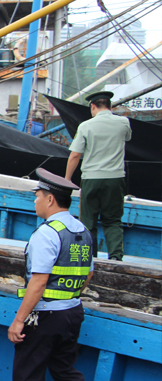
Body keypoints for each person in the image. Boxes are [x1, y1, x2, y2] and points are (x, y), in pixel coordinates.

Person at [8, 168, 97, 381]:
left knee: (27, 374)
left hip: (46, 314)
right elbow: (89, 272)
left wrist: (18, 321)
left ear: (49, 200)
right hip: (72, 312)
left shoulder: (47, 233)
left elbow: (38, 282)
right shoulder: (83, 230)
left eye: (37, 197)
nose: (34, 201)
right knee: (64, 368)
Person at [65, 91, 131, 261]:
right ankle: (116, 257)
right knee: (113, 219)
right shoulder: (123, 123)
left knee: (88, 221)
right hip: (115, 178)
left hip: (91, 178)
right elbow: (128, 138)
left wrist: (67, 179)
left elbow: (75, 155)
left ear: (93, 106)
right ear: (110, 106)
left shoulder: (86, 126)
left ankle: (89, 257)